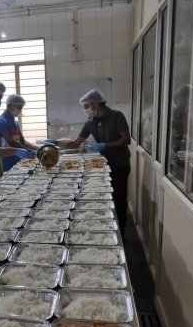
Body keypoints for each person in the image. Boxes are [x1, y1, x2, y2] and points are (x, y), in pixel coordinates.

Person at [44, 89, 131, 239]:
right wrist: (56, 142)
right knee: (107, 198)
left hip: (120, 163)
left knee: (119, 199)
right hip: (104, 164)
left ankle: (121, 236)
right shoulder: (91, 123)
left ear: (95, 103)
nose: (85, 110)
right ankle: (107, 230)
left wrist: (105, 145)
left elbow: (126, 139)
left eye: (86, 106)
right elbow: (75, 143)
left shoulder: (116, 116)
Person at [0, 93, 38, 171]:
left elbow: (23, 141)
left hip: (18, 159)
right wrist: (28, 151)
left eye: (21, 108)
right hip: (7, 160)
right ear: (10, 106)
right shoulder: (1, 121)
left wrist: (36, 148)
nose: (20, 110)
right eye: (19, 108)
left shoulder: (15, 122)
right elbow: (11, 142)